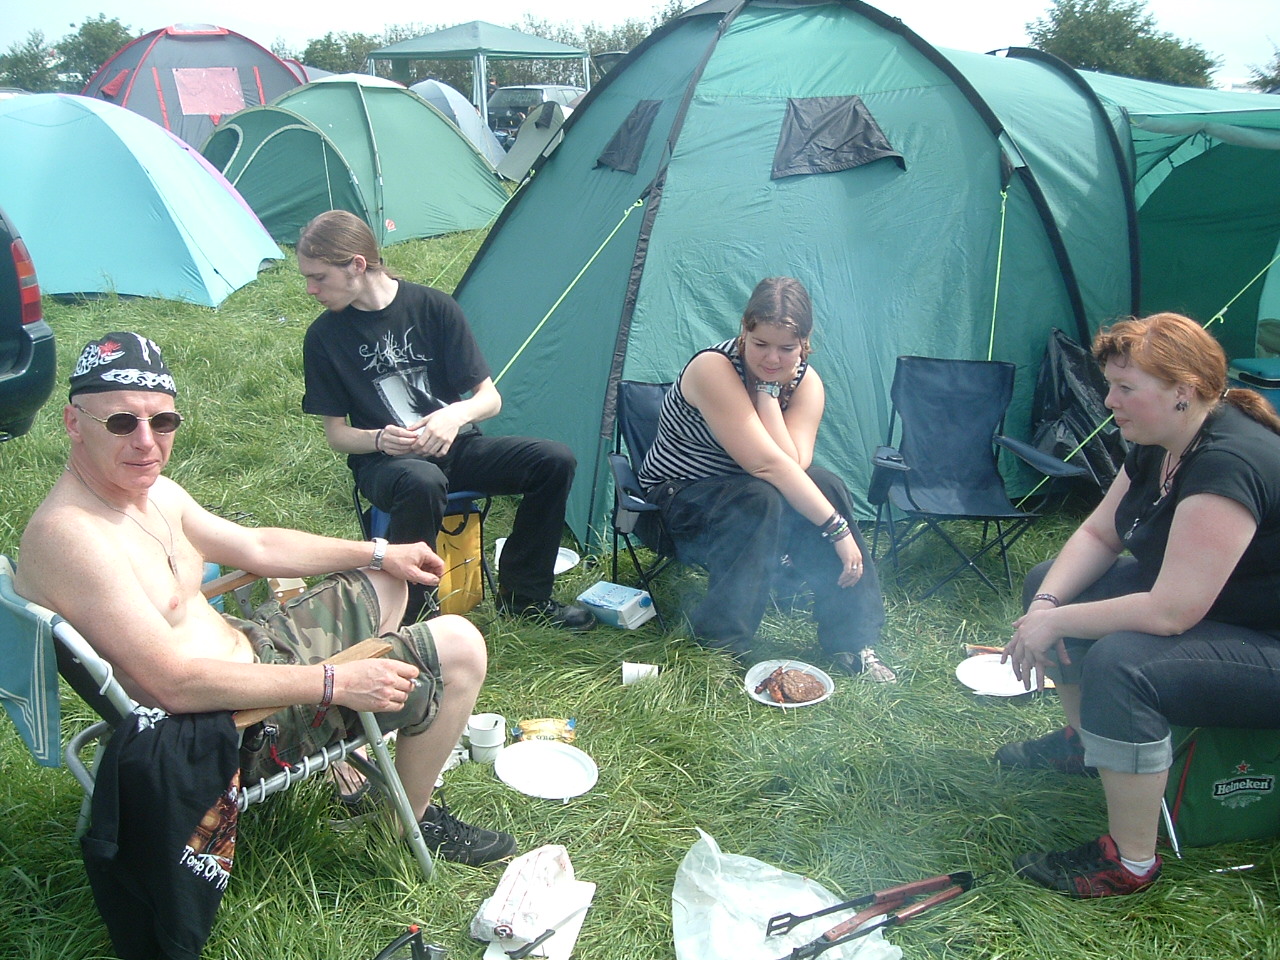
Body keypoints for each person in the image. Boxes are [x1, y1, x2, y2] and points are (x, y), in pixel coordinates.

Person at [16, 331, 517, 867]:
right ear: (73, 423)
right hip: (234, 727)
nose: (146, 441)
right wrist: (336, 682)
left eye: (163, 421)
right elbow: (172, 683)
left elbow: (255, 545)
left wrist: (378, 552)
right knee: (460, 645)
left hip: (256, 655)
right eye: (121, 422)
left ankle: (354, 755)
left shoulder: (147, 490)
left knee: (390, 582)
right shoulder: (72, 537)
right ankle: (405, 828)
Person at [998, 312, 1280, 898]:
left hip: (1266, 644)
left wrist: (1055, 623)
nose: (1108, 401)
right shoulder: (1162, 439)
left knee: (1123, 663)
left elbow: (1170, 613)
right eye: (1110, 385)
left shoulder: (1229, 461)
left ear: (1183, 391)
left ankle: (1129, 863)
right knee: (1049, 580)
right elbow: (1101, 535)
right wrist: (1048, 602)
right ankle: (1088, 747)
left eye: (1126, 388)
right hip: (1215, 611)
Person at [297, 210, 593, 630]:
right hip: (386, 465)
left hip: (458, 447)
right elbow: (337, 436)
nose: (311, 289)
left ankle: (525, 597)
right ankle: (411, 619)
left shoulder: (433, 307)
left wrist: (454, 416)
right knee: (422, 480)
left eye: (319, 277)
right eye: (307, 278)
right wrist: (381, 440)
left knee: (554, 460)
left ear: (357, 265)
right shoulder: (324, 337)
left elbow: (489, 399)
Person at [636, 276, 893, 680]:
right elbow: (768, 466)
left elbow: (793, 461)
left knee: (825, 485)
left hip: (752, 502)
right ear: (744, 330)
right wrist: (837, 531)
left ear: (804, 344)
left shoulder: (806, 382)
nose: (772, 358)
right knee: (760, 498)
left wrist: (769, 394)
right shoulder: (713, 368)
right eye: (760, 345)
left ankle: (853, 640)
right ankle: (720, 648)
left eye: (786, 348)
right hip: (673, 504)